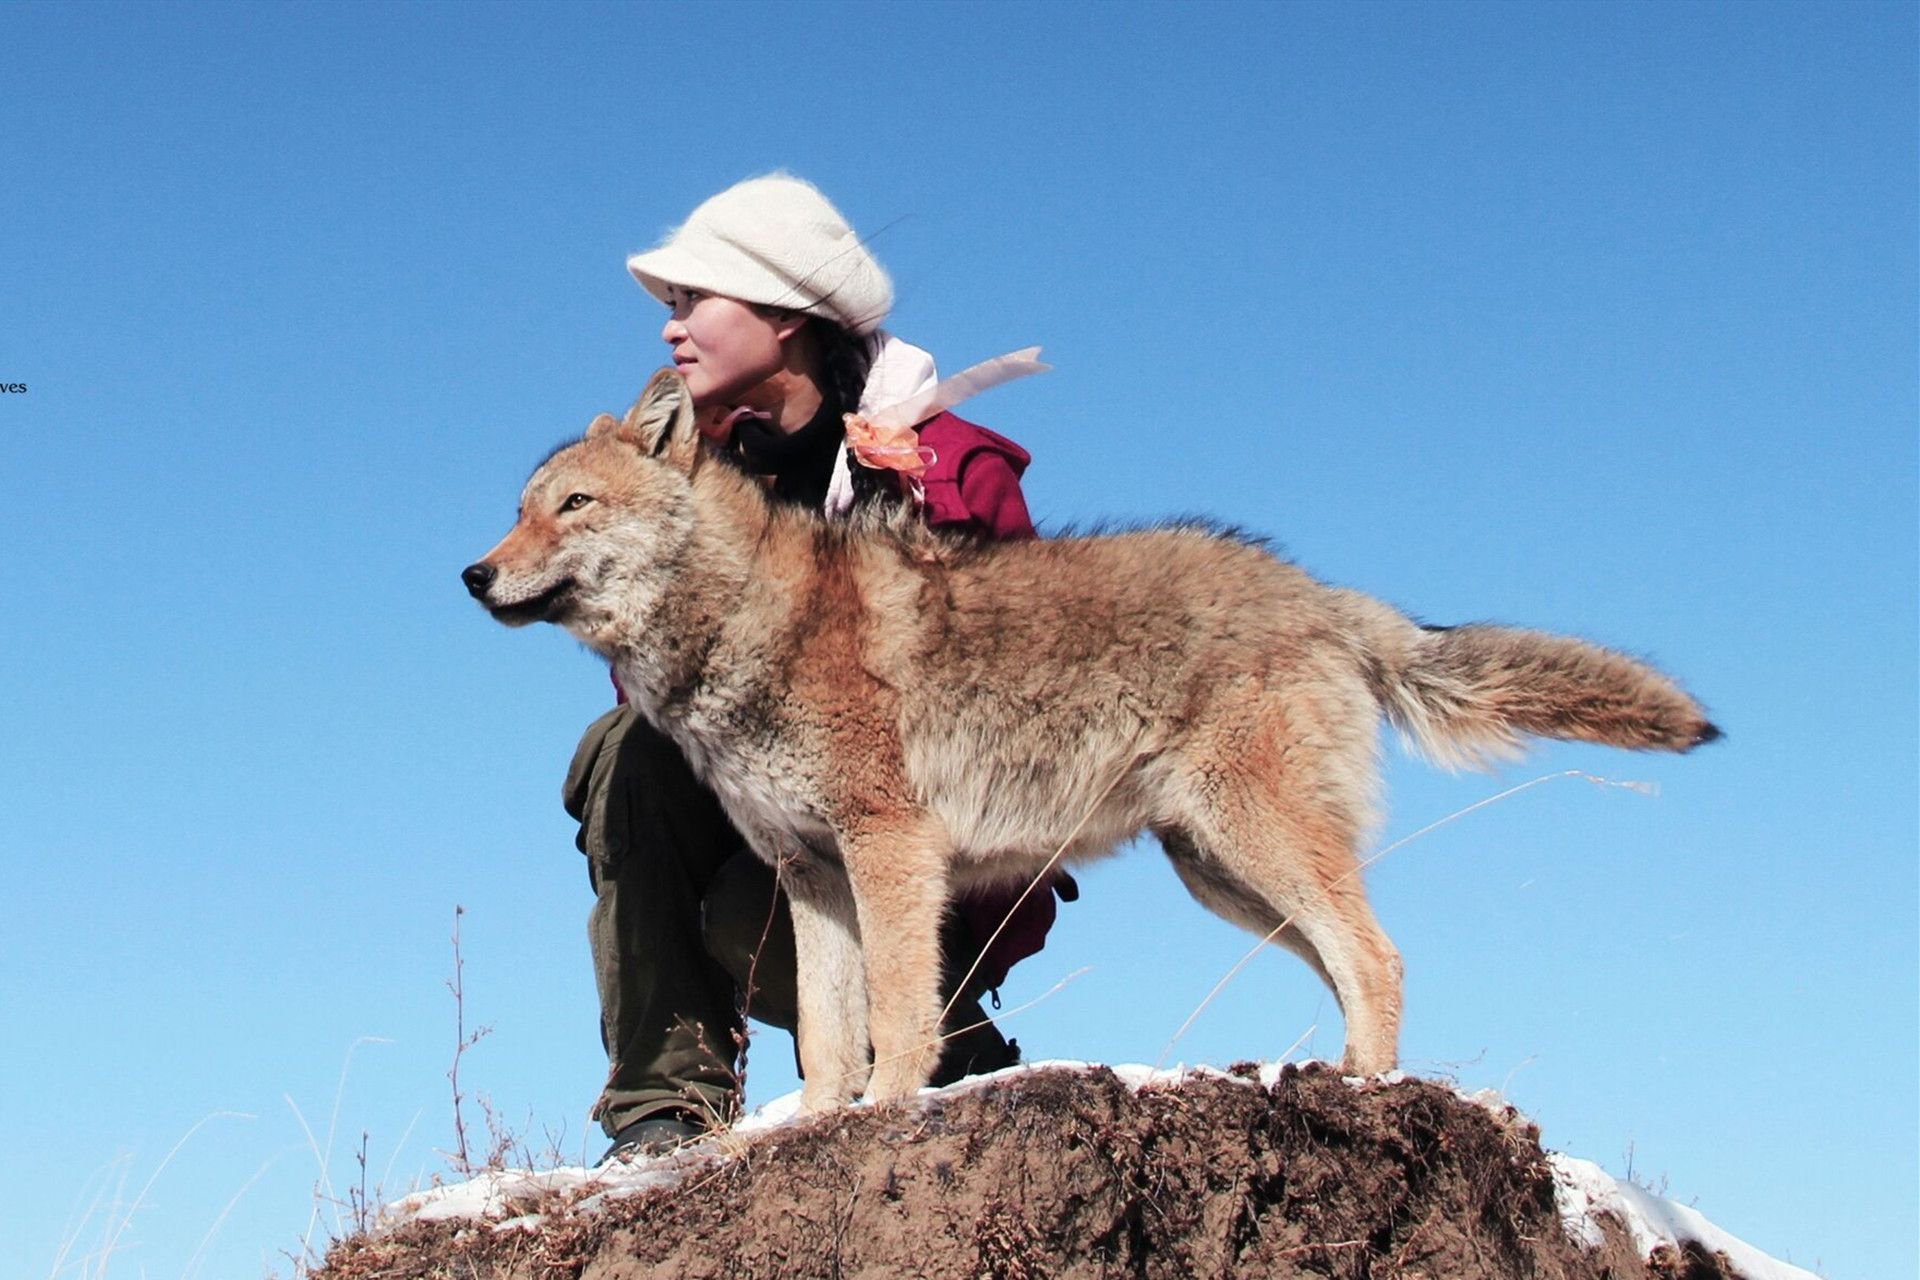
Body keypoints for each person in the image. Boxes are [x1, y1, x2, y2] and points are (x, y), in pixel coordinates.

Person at [564, 174, 1069, 1161]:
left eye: (695, 302)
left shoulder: (946, 465)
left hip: (935, 853)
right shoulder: (682, 477)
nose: (671, 331)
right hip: (773, 822)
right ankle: (663, 1106)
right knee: (626, 752)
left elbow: (1018, 684)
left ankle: (942, 1037)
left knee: (751, 916)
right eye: (669, 308)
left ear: (789, 318)